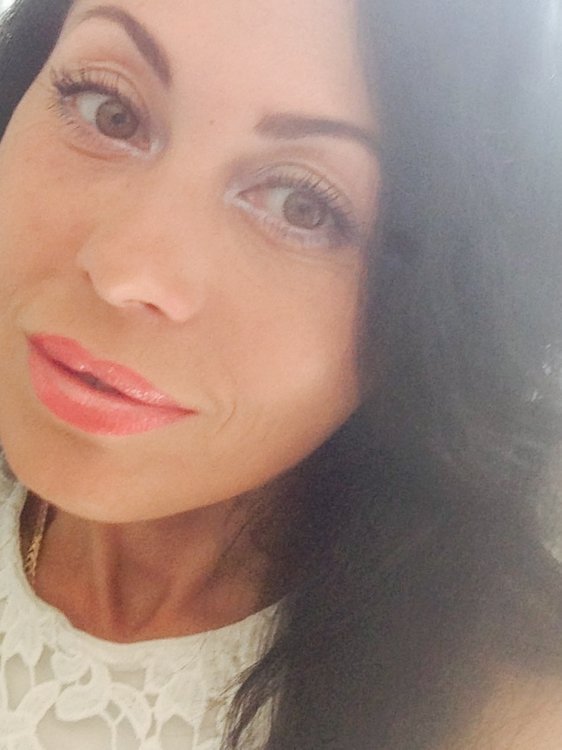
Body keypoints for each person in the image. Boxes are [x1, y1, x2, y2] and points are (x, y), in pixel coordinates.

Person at [0, 0, 561, 749]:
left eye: (302, 205)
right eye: (110, 111)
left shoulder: (510, 718)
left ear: (444, 314)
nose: (125, 270)